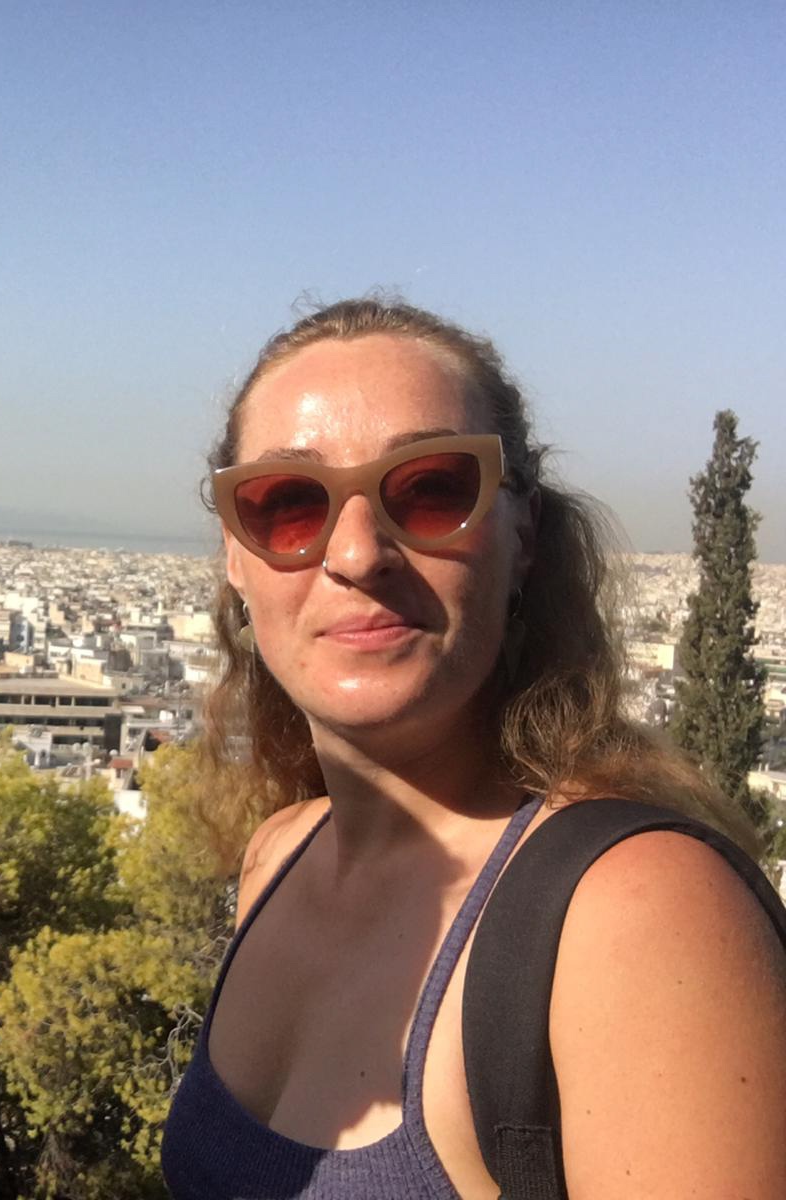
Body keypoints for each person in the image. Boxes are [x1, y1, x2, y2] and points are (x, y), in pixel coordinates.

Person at [160, 298, 786, 1198]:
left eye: (431, 488)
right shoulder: (277, 858)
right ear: (235, 553)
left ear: (523, 533)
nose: (358, 554)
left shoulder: (636, 914)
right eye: (289, 504)